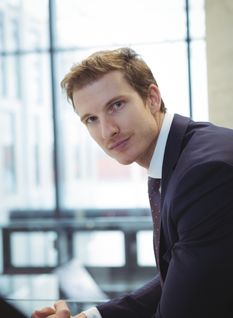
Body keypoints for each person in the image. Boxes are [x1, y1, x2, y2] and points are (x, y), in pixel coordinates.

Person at [32, 48, 233, 318]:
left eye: (116, 105)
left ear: (152, 98)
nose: (107, 131)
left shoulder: (204, 174)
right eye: (91, 119)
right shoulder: (182, 156)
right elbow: (181, 276)